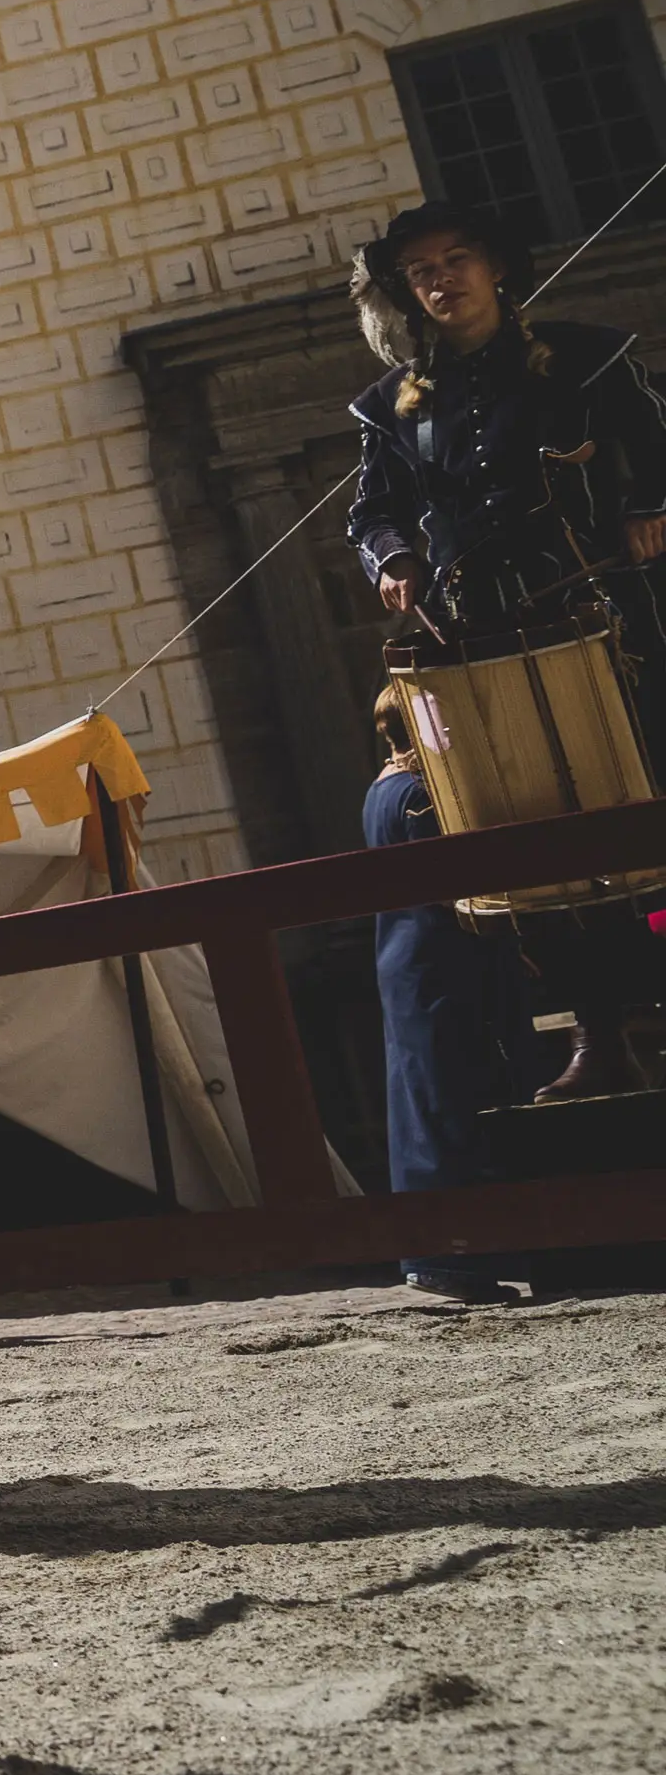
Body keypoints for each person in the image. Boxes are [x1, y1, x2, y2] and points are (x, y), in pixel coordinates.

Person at [346, 199, 666, 1101]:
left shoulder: (585, 357)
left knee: (647, 811)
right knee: (537, 845)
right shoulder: (394, 406)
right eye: (423, 272)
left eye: (457, 260)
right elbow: (369, 516)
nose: (443, 279)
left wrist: (649, 507)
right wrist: (395, 558)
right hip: (482, 646)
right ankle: (601, 1038)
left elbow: (657, 445)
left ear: (495, 268)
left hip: (614, 628)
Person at [365, 701, 558, 1303]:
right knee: (454, 1098)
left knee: (422, 1095)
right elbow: (458, 888)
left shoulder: (378, 790)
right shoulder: (420, 793)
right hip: (441, 957)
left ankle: (440, 1250)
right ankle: (456, 1255)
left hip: (404, 955)